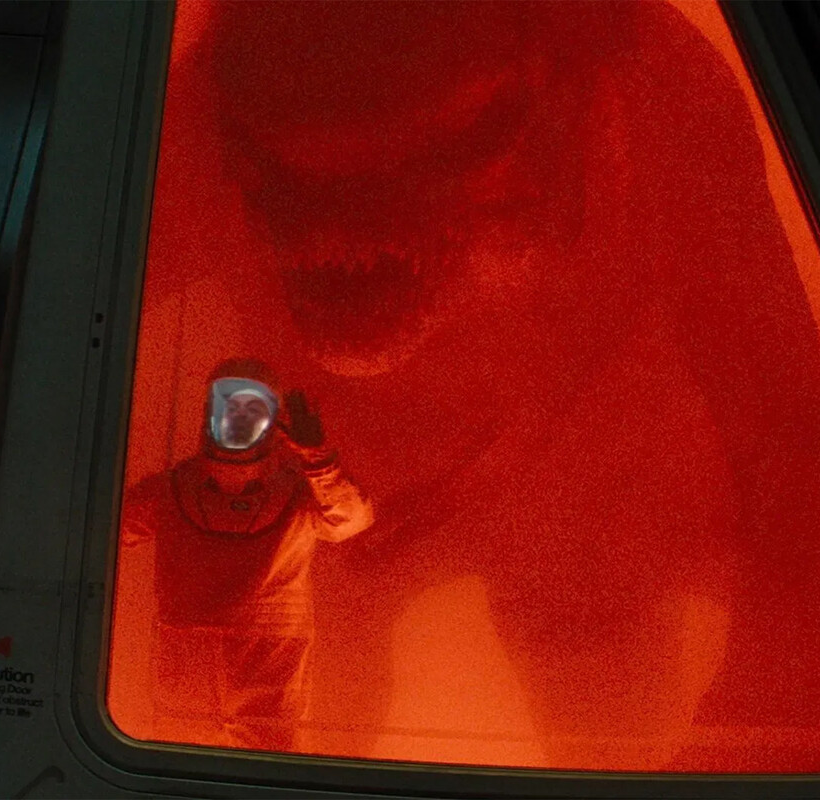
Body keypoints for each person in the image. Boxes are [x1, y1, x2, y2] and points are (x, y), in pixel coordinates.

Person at [131, 0, 820, 769]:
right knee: (326, 715)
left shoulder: (653, 83)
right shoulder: (643, 71)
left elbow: (791, 448)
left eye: (442, 147)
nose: (350, 214)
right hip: (366, 514)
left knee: (582, 685)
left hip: (576, 501)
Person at [121, 358, 374, 752]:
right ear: (209, 412)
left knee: (264, 766)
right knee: (181, 761)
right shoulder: (171, 491)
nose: (239, 417)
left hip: (267, 654)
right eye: (230, 405)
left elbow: (351, 521)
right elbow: (107, 529)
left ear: (274, 421)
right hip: (194, 655)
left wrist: (320, 464)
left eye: (253, 407)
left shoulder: (298, 492)